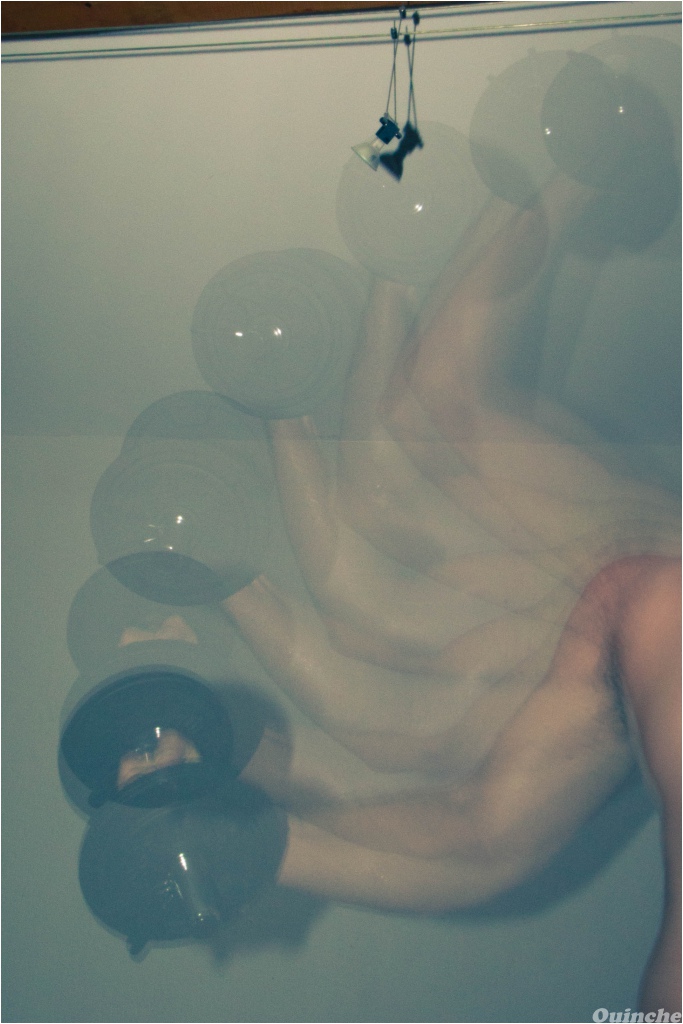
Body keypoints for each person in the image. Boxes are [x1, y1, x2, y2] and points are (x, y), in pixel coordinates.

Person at [118, 175, 680, 1010]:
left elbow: (476, 834)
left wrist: (228, 828)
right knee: (399, 498)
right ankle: (558, 165)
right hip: (623, 596)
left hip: (610, 607)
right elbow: (477, 838)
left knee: (376, 614)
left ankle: (542, 171)